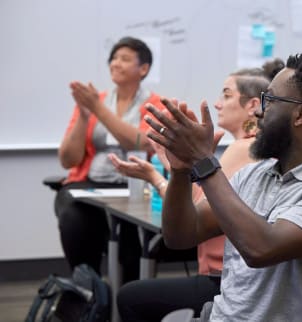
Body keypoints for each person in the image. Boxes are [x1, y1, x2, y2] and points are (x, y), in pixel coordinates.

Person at [144, 54, 302, 321]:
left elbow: (261, 249)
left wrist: (204, 163)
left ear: (301, 113)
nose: (258, 111)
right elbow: (181, 234)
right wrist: (181, 170)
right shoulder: (254, 175)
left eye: (270, 100)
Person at [109, 59, 285, 321]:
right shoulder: (248, 147)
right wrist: (172, 167)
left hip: (222, 279)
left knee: (130, 296)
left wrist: (160, 174)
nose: (217, 104)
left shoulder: (243, 148)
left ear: (252, 105)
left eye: (226, 95)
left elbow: (195, 211)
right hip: (229, 276)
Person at [55, 36, 164, 282]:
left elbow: (143, 144)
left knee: (131, 238)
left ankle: (128, 299)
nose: (115, 63)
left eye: (125, 59)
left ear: (143, 69)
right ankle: (88, 290)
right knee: (73, 220)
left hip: (136, 188)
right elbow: (68, 160)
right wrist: (84, 116)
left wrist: (98, 109)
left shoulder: (155, 105)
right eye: (113, 58)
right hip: (91, 185)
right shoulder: (94, 103)